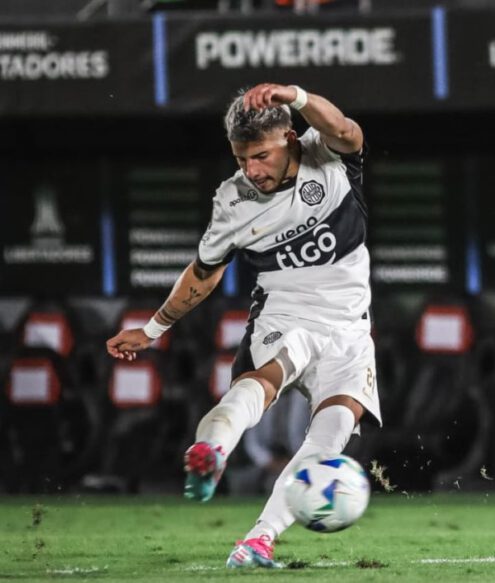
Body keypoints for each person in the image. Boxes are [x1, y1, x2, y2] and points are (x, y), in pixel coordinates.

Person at [106, 82, 379, 569]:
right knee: (261, 383)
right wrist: (151, 329)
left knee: (333, 431)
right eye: (241, 160)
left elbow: (344, 128)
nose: (252, 170)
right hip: (286, 312)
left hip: (351, 329)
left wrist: (294, 94)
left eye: (260, 156)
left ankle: (258, 541)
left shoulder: (327, 157)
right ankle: (209, 450)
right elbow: (203, 274)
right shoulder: (233, 202)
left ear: (290, 139)